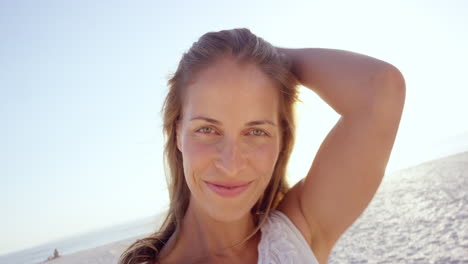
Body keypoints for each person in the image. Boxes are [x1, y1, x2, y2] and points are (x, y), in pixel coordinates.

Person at [119, 28, 406, 264]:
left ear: (281, 138)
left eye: (256, 131)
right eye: (207, 129)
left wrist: (268, 60)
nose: (231, 163)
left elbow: (381, 88)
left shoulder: (296, 234)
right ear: (177, 131)